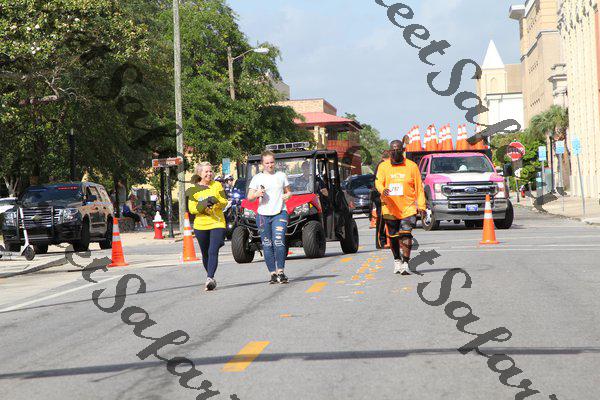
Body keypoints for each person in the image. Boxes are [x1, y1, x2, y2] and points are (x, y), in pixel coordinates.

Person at [376, 139, 426, 275]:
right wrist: (383, 190)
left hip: (408, 207)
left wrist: (421, 206)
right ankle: (397, 260)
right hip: (389, 207)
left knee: (406, 234)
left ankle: (405, 263)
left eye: (398, 149)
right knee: (393, 236)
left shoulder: (412, 166)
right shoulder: (383, 167)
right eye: (393, 150)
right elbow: (378, 182)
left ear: (403, 150)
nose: (395, 152)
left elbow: (419, 188)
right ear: (389, 151)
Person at [247, 150, 292, 284]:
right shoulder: (257, 178)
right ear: (262, 164)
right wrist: (257, 194)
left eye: (272, 162)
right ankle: (272, 273)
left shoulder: (281, 175)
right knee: (267, 244)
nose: (270, 165)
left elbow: (289, 192)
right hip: (263, 215)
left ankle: (281, 272)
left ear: (275, 162)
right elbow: (249, 197)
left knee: (279, 241)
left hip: (280, 212)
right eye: (267, 163)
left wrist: (288, 195)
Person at [188, 162, 228, 291]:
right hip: (201, 225)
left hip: (217, 223)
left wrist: (216, 202)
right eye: (206, 171)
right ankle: (210, 277)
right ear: (199, 173)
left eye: (210, 171)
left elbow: (224, 201)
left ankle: (210, 278)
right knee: (205, 253)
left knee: (212, 251)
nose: (209, 174)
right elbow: (192, 209)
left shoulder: (217, 185)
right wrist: (204, 205)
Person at [372, 150, 390, 248]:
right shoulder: (382, 165)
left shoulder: (384, 164)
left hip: (383, 194)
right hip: (379, 194)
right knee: (381, 218)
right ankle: (380, 242)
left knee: (387, 217)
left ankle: (387, 240)